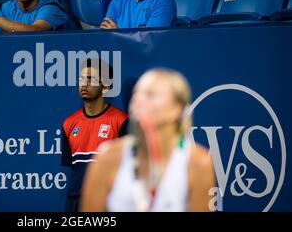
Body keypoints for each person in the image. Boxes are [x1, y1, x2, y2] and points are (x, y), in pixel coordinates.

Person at [80, 68, 215, 212]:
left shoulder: (198, 162)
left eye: (150, 95)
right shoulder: (108, 157)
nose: (138, 100)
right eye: (136, 93)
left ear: (177, 109)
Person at [61, 58, 129, 212]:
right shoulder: (69, 123)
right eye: (81, 79)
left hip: (108, 200)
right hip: (75, 201)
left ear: (105, 86)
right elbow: (69, 168)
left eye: (90, 79)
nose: (83, 83)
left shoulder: (121, 121)